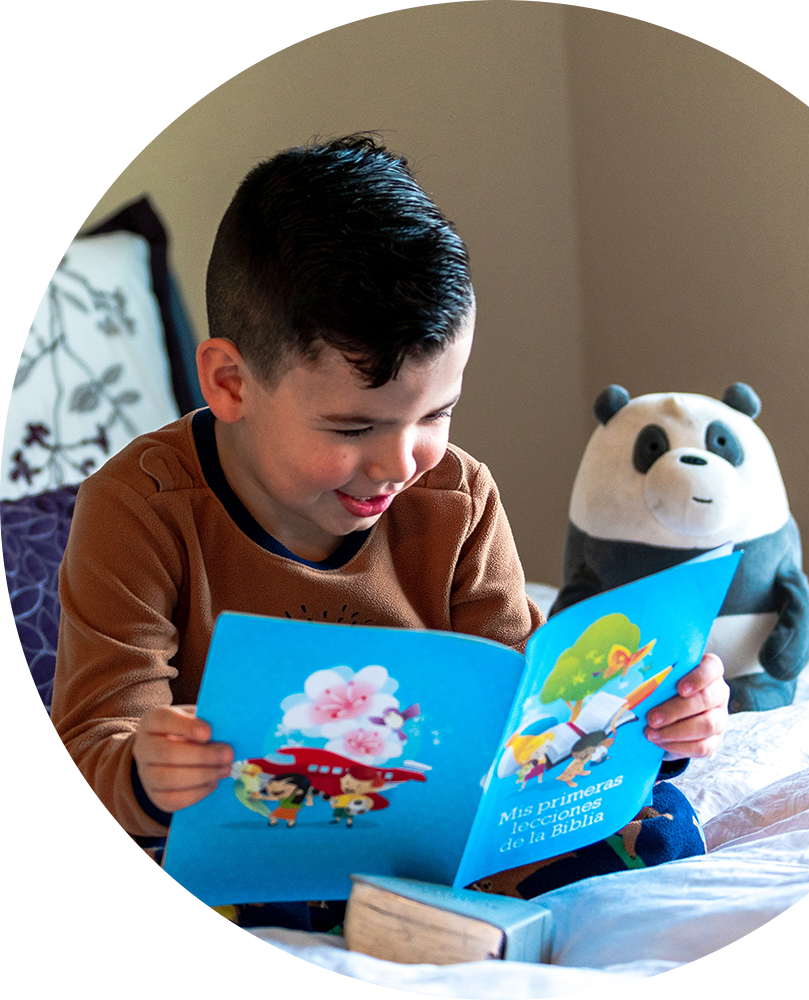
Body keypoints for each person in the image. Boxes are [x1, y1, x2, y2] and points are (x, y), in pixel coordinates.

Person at [25, 134, 729, 947]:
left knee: (663, 826)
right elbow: (88, 747)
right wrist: (148, 771)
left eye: (435, 415)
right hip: (231, 845)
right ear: (229, 383)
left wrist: (652, 722)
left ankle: (385, 914)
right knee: (72, 880)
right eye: (353, 426)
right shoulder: (140, 507)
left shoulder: (456, 496)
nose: (400, 462)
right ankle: (401, 924)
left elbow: (526, 713)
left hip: (430, 842)